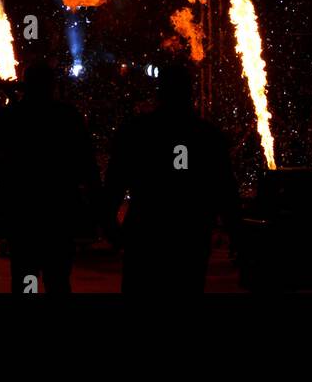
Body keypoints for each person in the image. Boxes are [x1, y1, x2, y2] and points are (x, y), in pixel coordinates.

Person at [103, 63, 242, 293]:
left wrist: (111, 225)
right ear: (190, 93)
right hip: (189, 237)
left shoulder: (136, 131)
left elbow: (114, 183)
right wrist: (236, 231)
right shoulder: (207, 136)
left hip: (147, 236)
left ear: (160, 91)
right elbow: (226, 190)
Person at [0, 63, 99, 293]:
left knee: (25, 276)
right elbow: (86, 163)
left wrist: (12, 100)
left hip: (24, 210)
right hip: (58, 209)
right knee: (58, 279)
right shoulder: (67, 115)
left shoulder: (14, 116)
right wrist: (96, 206)